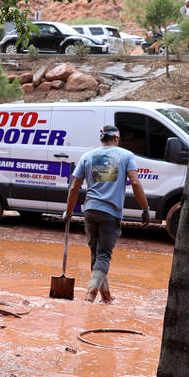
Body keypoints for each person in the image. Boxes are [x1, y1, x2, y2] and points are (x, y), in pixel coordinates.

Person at [62, 125, 151, 303]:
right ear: (116, 139)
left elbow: (74, 186)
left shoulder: (87, 156)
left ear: (102, 139)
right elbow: (135, 182)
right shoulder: (126, 155)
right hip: (110, 213)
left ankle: (107, 297)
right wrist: (145, 209)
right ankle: (90, 294)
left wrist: (69, 211)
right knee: (103, 255)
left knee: (96, 254)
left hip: (90, 210)